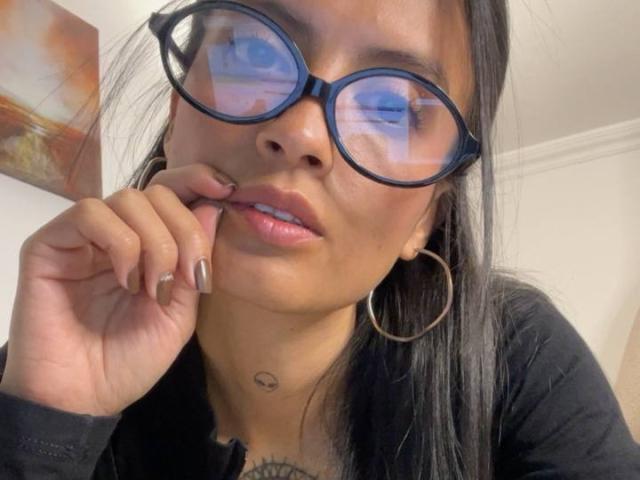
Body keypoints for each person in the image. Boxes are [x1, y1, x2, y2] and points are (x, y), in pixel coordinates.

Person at [0, 0, 638, 478]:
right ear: (176, 114)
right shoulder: (58, 355)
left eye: (393, 107)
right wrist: (45, 423)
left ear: (427, 215)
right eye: (254, 53)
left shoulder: (515, 363)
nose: (301, 132)